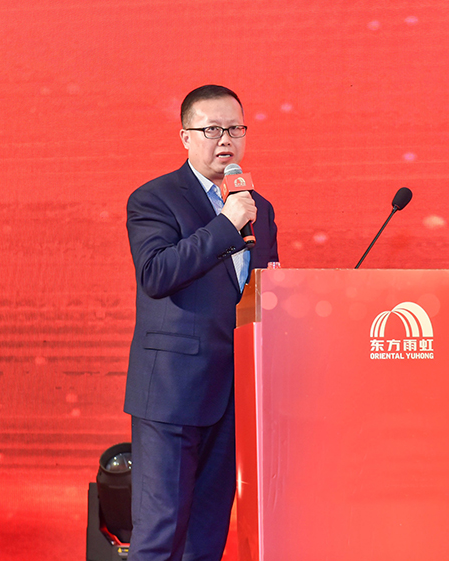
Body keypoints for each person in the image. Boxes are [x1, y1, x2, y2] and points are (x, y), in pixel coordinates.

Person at [123, 85, 279, 561]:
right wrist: (226, 225)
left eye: (235, 128)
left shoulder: (259, 208)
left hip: (233, 393)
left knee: (207, 536)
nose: (225, 139)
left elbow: (263, 292)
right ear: (185, 137)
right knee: (162, 531)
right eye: (211, 129)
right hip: (173, 393)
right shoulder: (155, 198)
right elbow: (156, 274)